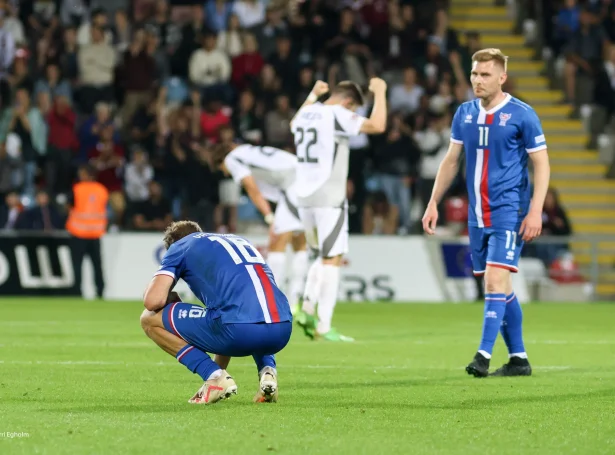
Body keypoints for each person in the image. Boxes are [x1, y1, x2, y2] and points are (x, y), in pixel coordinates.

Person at [422, 48, 551, 377]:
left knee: (494, 282)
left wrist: (535, 211)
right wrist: (434, 201)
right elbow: (451, 161)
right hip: (477, 215)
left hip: (510, 209)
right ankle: (519, 359)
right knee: (501, 287)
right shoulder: (464, 113)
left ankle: (483, 355)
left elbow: (541, 164)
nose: (478, 80)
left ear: (502, 78)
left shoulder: (522, 114)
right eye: (475, 74)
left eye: (486, 75)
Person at [140, 221, 292, 405]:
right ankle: (267, 371)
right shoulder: (238, 240)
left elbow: (152, 301)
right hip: (282, 329)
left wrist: (215, 374)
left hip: (239, 331)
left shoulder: (180, 246)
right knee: (249, 311)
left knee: (148, 319)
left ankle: (213, 376)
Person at [290, 78, 388, 341]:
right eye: (354, 109)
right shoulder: (337, 114)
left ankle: (309, 309)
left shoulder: (307, 111)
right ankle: (317, 317)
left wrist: (313, 93)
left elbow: (293, 124)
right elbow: (378, 125)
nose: (353, 115)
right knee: (332, 258)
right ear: (347, 103)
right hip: (329, 195)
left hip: (304, 195)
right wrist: (380, 92)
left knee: (321, 255)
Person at [210, 142, 308, 314]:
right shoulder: (246, 151)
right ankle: (295, 300)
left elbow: (252, 189)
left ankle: (273, 303)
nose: (226, 173)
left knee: (277, 244)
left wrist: (269, 217)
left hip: (294, 184)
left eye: (222, 170)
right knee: (300, 243)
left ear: (221, 162)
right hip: (303, 178)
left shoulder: (232, 159)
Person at [66, 164, 108, 299]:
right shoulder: (102, 190)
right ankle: (100, 291)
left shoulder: (77, 189)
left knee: (77, 265)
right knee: (97, 265)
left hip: (78, 233)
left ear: (86, 174)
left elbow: (69, 206)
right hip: (95, 234)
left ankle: (76, 292)